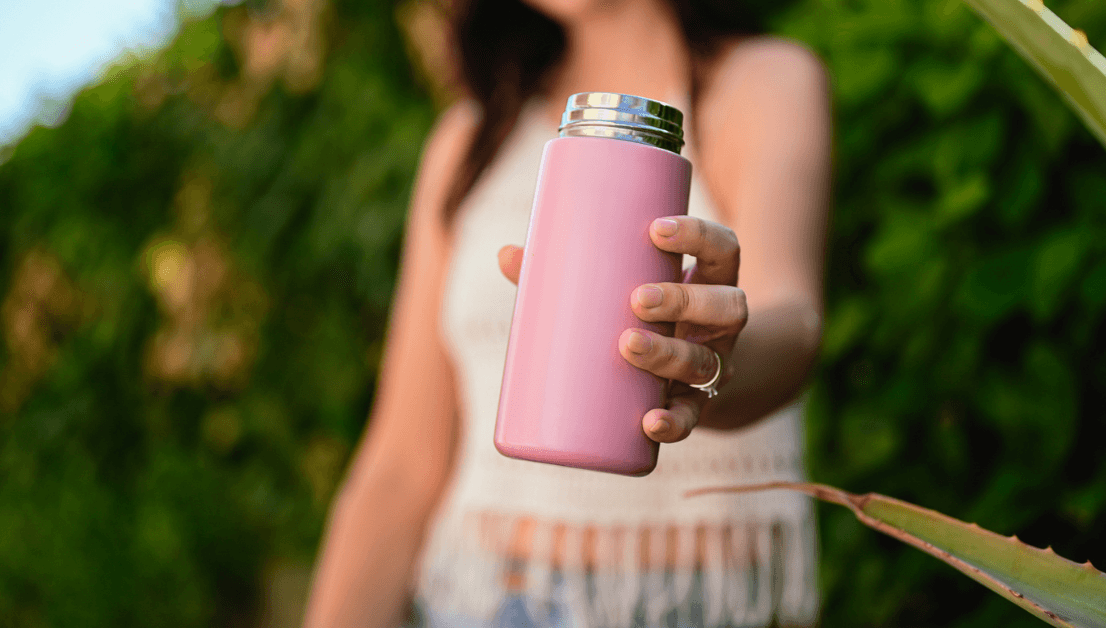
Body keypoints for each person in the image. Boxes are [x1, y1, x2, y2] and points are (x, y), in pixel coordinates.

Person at [302, 0, 832, 624]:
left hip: (685, 601)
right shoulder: (468, 142)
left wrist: (711, 361)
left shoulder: (761, 82)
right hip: (479, 598)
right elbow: (403, 461)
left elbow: (792, 322)